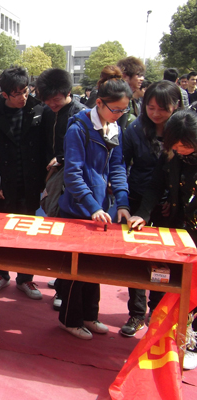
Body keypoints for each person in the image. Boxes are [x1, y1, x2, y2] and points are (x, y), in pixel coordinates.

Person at [57, 65, 132, 340]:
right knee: (75, 271)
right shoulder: (78, 128)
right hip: (77, 209)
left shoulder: (114, 127)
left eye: (124, 110)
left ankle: (90, 315)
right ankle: (70, 319)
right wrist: (93, 207)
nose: (120, 114)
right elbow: (73, 175)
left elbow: (118, 168)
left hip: (100, 210)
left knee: (93, 269)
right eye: (116, 109)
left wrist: (122, 202)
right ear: (99, 103)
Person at [128, 110, 197, 370]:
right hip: (178, 228)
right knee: (170, 281)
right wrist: (143, 214)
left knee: (195, 288)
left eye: (184, 145)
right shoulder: (170, 154)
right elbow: (156, 185)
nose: (179, 150)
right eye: (175, 145)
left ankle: (192, 341)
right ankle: (164, 332)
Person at [0, 66, 45, 301]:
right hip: (2, 184)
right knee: (1, 233)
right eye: (17, 94)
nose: (23, 97)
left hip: (30, 180)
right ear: (5, 94)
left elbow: (44, 147)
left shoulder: (38, 109)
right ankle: (1, 274)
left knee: (27, 233)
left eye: (26, 91)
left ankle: (25, 278)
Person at [120, 80, 182, 337]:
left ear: (176, 106)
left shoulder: (182, 131)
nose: (156, 113)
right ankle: (136, 313)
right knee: (135, 258)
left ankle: (157, 311)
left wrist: (173, 200)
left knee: (163, 261)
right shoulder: (135, 128)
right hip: (138, 199)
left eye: (162, 108)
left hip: (169, 203)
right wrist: (123, 198)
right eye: (151, 107)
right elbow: (121, 163)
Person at [36, 68, 86, 309]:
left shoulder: (81, 114)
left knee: (68, 230)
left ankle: (64, 287)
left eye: (56, 99)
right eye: (47, 100)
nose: (52, 104)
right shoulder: (47, 112)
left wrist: (63, 159)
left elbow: (83, 151)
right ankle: (60, 279)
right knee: (54, 224)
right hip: (52, 174)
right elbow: (45, 143)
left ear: (68, 93)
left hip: (73, 178)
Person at [116, 57, 145, 132]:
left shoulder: (131, 98)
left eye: (142, 75)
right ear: (124, 76)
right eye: (138, 75)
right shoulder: (117, 97)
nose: (142, 79)